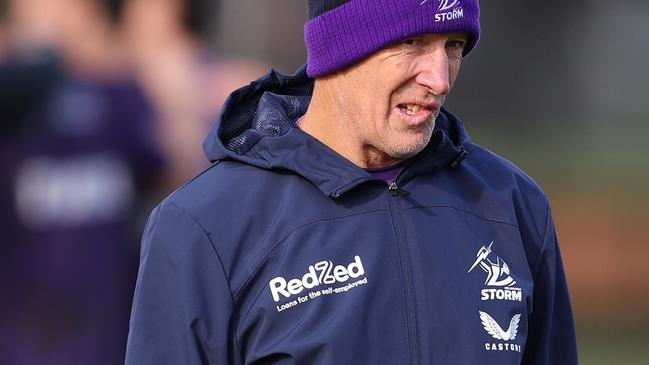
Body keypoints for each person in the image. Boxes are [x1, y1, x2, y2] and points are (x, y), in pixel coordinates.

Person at [126, 1, 579, 364]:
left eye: (454, 45)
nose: (438, 78)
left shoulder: (512, 203)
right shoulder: (202, 226)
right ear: (340, 45)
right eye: (412, 41)